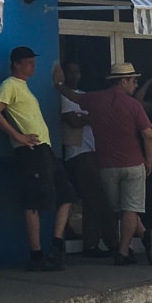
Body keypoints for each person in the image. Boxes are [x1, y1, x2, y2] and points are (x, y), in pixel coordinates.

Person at [54, 62, 152, 266]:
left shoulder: (95, 99)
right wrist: (149, 160)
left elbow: (73, 97)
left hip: (106, 165)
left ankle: (144, 234)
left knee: (120, 209)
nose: (135, 85)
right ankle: (123, 250)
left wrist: (58, 85)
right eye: (134, 81)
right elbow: (148, 135)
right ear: (124, 81)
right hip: (133, 163)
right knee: (131, 208)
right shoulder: (133, 105)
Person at [0, 46, 77, 272]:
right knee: (33, 200)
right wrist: (18, 135)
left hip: (44, 148)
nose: (32, 65)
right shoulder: (9, 85)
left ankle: (56, 246)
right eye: (28, 62)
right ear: (16, 64)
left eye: (32, 61)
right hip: (30, 151)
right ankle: (36, 254)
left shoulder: (24, 87)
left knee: (66, 193)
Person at [58, 62, 118, 258]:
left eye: (78, 71)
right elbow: (74, 121)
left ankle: (91, 243)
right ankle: (113, 242)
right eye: (71, 71)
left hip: (93, 150)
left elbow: (95, 117)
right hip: (77, 153)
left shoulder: (83, 96)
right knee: (97, 198)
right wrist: (86, 118)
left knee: (93, 200)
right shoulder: (63, 96)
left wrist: (85, 117)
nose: (75, 75)